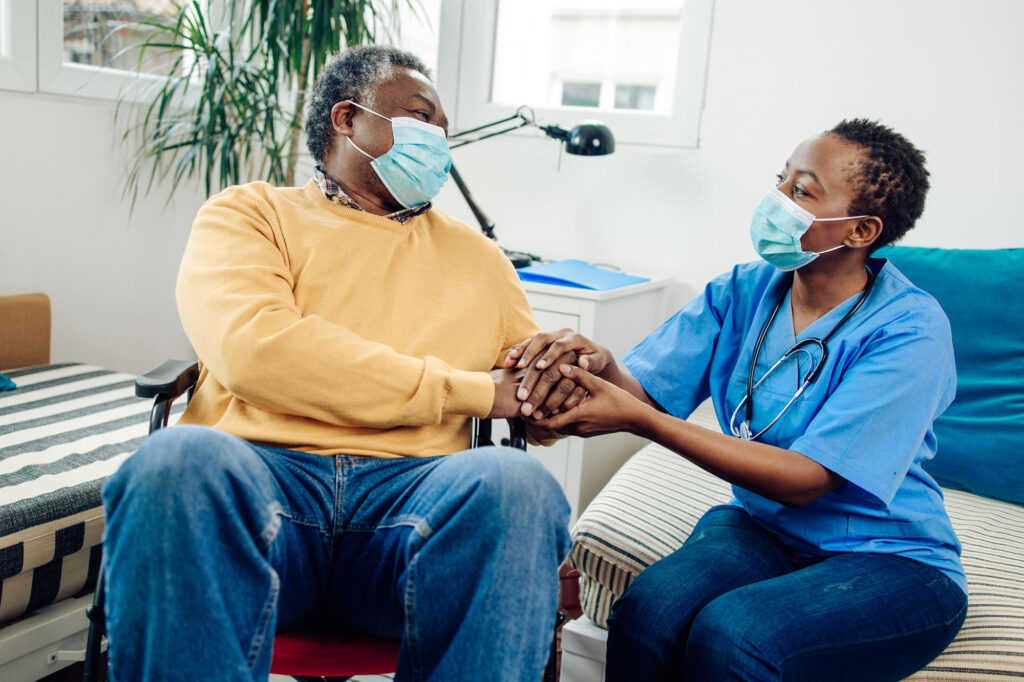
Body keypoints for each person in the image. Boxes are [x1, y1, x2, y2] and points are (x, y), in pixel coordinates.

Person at [101, 45, 575, 681]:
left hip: (414, 504)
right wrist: (471, 391)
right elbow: (259, 352)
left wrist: (569, 377)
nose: (439, 137)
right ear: (347, 119)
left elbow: (533, 405)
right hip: (261, 486)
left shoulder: (481, 260)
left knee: (519, 486)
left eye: (443, 126)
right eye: (420, 117)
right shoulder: (249, 215)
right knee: (172, 464)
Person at [508, 119, 968, 681]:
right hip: (763, 529)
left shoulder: (909, 329)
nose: (776, 201)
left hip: (890, 560)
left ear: (860, 230)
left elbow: (805, 481)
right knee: (647, 613)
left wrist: (640, 421)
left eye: (802, 191)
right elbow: (647, 392)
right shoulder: (746, 289)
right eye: (780, 181)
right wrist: (600, 366)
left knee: (735, 635)